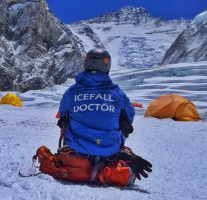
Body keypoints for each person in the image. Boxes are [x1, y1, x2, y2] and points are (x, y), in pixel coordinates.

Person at [35, 48, 152, 186]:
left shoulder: (72, 92)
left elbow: (62, 114)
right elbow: (129, 116)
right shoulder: (116, 93)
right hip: (110, 153)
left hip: (76, 151)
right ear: (107, 66)